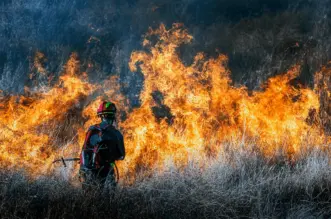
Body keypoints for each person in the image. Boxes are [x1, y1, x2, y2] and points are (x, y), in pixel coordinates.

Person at [79, 101, 125, 191]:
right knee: (107, 199)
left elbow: (85, 149)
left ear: (100, 116)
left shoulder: (92, 130)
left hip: (87, 172)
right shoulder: (116, 133)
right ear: (113, 116)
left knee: (88, 198)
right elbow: (121, 155)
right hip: (106, 173)